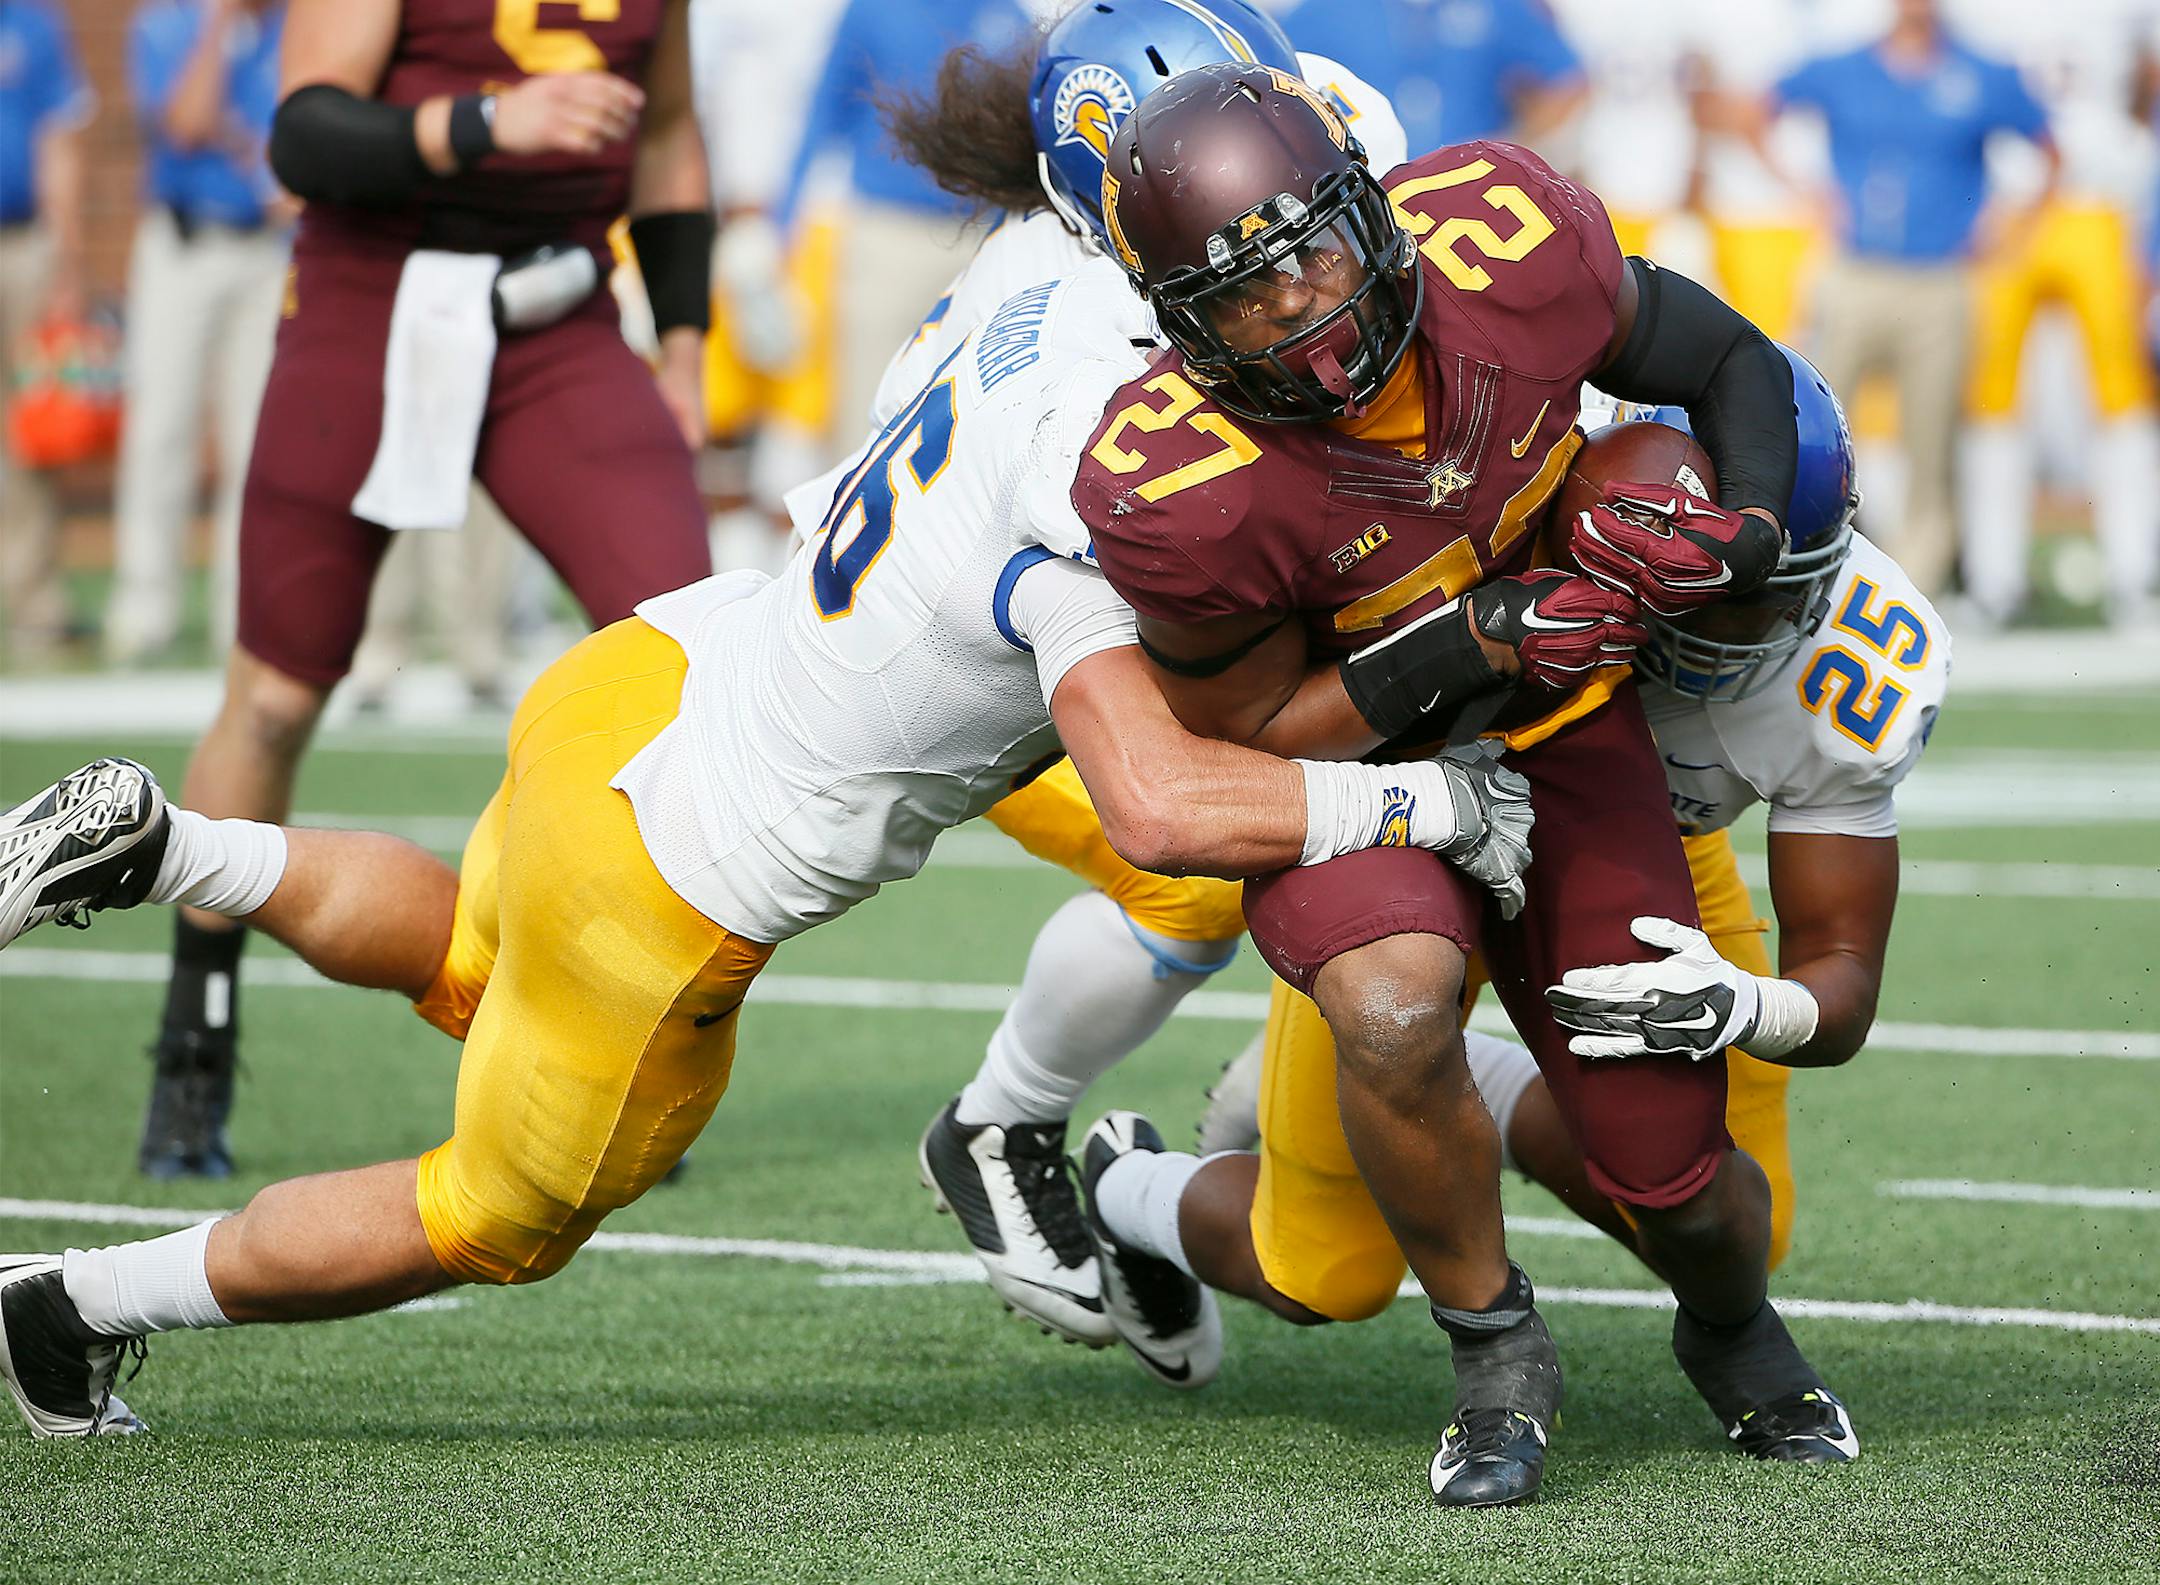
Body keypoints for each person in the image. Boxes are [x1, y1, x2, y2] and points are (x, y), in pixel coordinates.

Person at [0, 260, 1535, 1441]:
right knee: (487, 1215)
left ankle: (170, 846)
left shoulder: (1056, 286)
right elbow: (1163, 799)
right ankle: (68, 1305)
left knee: (476, 944)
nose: (1309, 301)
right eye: (1269, 273)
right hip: (671, 888)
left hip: (648, 674)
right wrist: (1427, 805)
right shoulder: (1100, 503)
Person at [1069, 62, 1836, 1505]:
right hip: (1366, 784)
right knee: (1392, 1003)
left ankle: (1729, 1323)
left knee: (1686, 1183)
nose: (1300, 304)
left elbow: (1730, 357)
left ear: (1369, 211)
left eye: (1312, 251)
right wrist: (1461, 640)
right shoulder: (1178, 482)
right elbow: (1256, 736)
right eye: (1245, 293)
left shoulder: (1506, 241)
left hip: (1566, 728)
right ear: (1182, 326)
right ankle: (1494, 1346)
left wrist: (1738, 531)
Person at [855, 0, 1405, 1349]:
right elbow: (1164, 550)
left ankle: (1261, 1096)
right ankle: (1004, 1120)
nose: (1265, 228)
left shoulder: (1327, 122)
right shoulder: (1068, 320)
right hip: (988, 635)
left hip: (1100, 596)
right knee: (1206, 858)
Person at [1191, 350, 1948, 1321]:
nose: (1731, 627)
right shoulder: (1485, 511)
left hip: (1645, 847)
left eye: (1761, 591)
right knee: (1321, 1275)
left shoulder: (1852, 668)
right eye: (1694, 587)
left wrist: (1749, 1005)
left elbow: (1841, 970)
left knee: (1732, 1227)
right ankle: (1130, 1184)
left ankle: (1478, 1089)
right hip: (1430, 828)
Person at [134, 0, 718, 1182]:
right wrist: (491, 122)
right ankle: (196, 1030)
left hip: (556, 314)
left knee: (689, 663)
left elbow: (667, 131)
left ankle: (628, 1045)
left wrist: (685, 343)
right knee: (275, 699)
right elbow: (305, 135)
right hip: (372, 294)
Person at [1771, 0, 2055, 598]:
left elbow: (2049, 146)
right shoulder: (1846, 67)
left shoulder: (1978, 72)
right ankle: (1806, 570)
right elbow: (1756, 108)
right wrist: (1804, 191)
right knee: (1813, 425)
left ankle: (1915, 589)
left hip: (1937, 278)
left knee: (1931, 442)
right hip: (1855, 269)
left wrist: (2010, 225)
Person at [1954, 0, 2159, 631]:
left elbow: (2149, 74)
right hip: (2009, 205)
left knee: (2121, 395)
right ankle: (1994, 580)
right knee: (1991, 399)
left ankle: (2134, 575)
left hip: (2101, 199)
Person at [106, 0, 291, 669]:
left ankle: (239, 617)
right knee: (161, 428)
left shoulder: (295, 24)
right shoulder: (168, 23)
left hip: (266, 251)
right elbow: (185, 121)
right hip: (182, 247)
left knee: (256, 440)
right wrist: (220, 26)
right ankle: (144, 608)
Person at [0, 0, 93, 665]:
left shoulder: (30, 21)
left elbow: (59, 139)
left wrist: (66, 260)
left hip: (22, 243)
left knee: (31, 432)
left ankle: (32, 601)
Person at [1277, 0, 1584, 155]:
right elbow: (1274, 81)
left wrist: (1513, 149)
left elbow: (1566, 81)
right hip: (1370, 186)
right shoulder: (1321, 11)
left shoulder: (1498, 6)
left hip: (1471, 186)